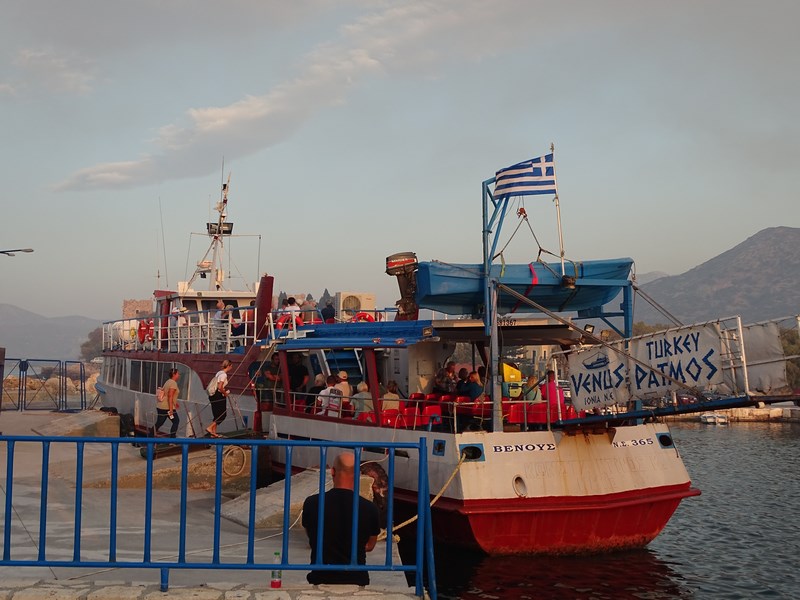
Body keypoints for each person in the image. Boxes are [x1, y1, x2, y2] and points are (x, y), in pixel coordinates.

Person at [302, 452, 380, 586]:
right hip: (356, 578)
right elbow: (370, 546)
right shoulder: (370, 508)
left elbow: (311, 536)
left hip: (321, 577)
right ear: (358, 474)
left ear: (332, 471)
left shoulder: (312, 503)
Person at [206, 359, 232, 437]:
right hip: (218, 395)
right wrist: (225, 393)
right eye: (231, 366)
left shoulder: (218, 373)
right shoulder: (224, 375)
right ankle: (210, 427)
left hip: (213, 395)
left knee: (216, 414)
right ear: (228, 366)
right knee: (222, 415)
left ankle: (213, 433)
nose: (231, 368)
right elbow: (220, 387)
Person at [154, 368, 180, 437]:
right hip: (167, 408)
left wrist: (175, 403)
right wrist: (171, 409)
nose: (179, 375)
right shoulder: (173, 383)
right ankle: (172, 439)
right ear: (174, 374)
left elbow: (167, 394)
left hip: (161, 406)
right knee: (176, 421)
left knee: (159, 423)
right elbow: (170, 396)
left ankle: (149, 437)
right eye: (178, 374)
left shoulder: (168, 381)